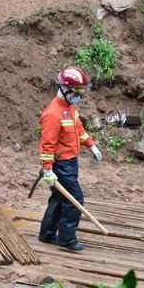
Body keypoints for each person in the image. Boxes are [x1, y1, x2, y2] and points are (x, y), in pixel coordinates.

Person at [38, 66, 103, 252]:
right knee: (75, 199)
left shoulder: (70, 107)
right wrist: (48, 168)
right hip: (61, 165)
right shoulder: (52, 114)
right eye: (76, 93)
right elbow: (47, 145)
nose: (79, 97)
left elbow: (79, 129)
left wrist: (91, 145)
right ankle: (67, 239)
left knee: (58, 199)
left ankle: (47, 233)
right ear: (65, 90)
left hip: (71, 162)